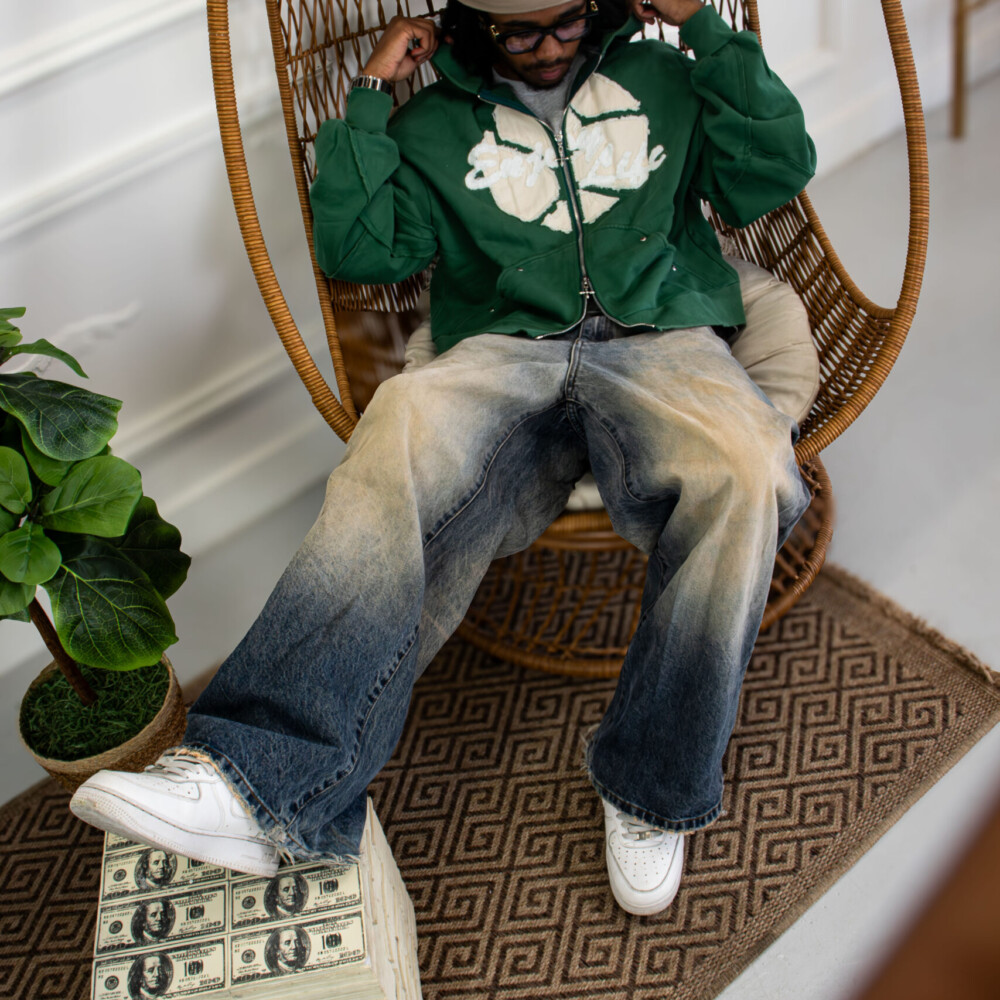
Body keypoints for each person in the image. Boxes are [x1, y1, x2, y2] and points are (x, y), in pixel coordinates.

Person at [70, 0, 815, 917]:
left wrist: (701, 25)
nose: (548, 47)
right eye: (520, 31)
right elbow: (361, 250)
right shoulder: (429, 126)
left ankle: (651, 789)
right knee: (399, 430)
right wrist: (370, 95)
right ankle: (251, 778)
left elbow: (773, 173)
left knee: (752, 469)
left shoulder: (667, 79)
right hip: (504, 347)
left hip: (663, 335)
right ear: (472, 26)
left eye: (566, 21)